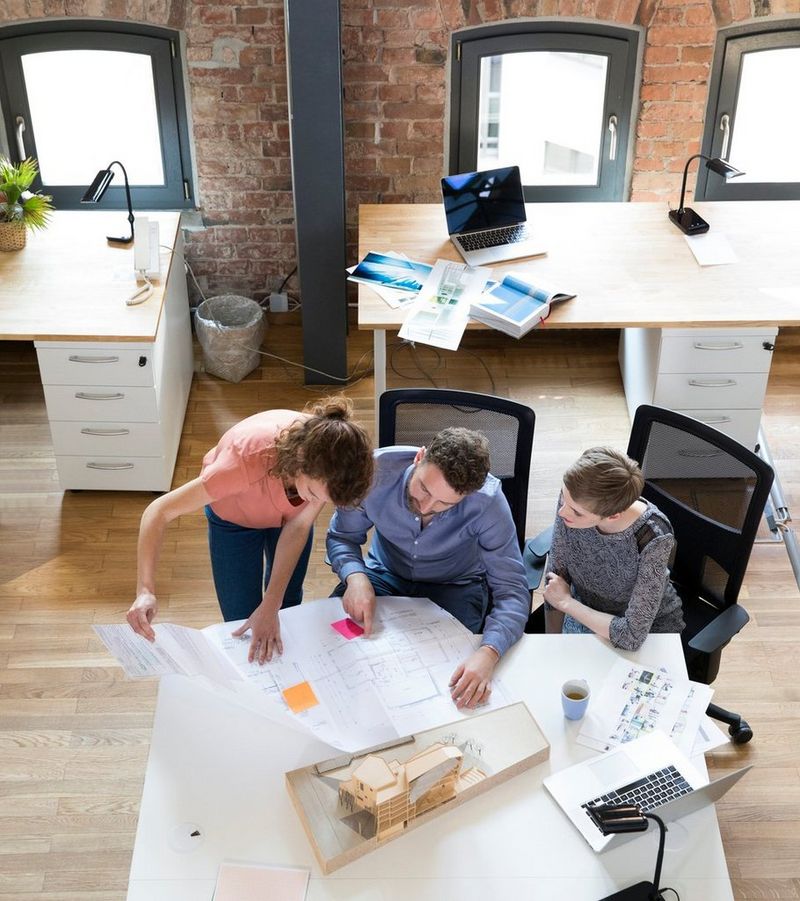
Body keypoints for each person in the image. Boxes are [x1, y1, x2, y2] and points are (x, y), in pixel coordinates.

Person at [126, 396, 374, 663]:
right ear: (301, 462)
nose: (317, 503)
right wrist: (145, 590)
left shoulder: (330, 471)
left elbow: (298, 527)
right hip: (233, 522)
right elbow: (159, 511)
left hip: (286, 523)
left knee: (285, 607)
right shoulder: (242, 461)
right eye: (314, 494)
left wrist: (272, 603)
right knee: (241, 619)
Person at [326, 426, 530, 710]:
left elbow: (512, 591)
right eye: (423, 489)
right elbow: (342, 537)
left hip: (455, 587)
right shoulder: (372, 473)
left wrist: (489, 652)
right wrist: (355, 576)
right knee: (339, 660)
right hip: (381, 575)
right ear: (419, 457)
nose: (426, 507)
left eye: (444, 504)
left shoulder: (488, 502)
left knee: (446, 688)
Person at [542, 446, 684, 651]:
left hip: (645, 629)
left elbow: (632, 636)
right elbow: (555, 578)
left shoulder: (653, 536)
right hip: (584, 610)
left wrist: (567, 603)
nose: (563, 511)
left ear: (613, 516)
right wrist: (551, 644)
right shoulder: (575, 498)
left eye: (576, 512)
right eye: (564, 497)